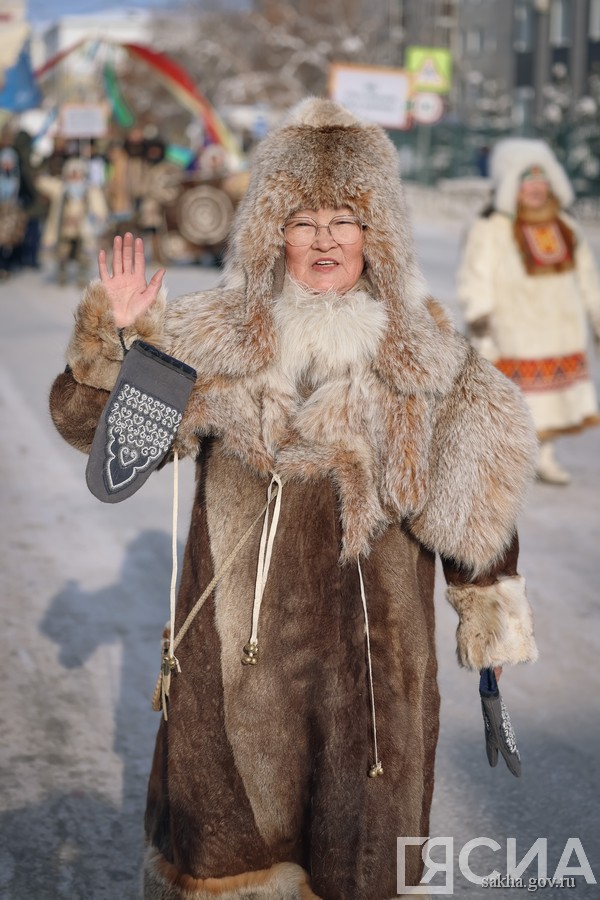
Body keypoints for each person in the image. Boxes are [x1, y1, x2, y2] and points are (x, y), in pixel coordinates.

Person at [49, 100, 538, 900]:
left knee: (360, 861)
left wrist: (486, 607)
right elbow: (103, 443)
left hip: (374, 683)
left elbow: (477, 513)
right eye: (302, 218)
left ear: (375, 233)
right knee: (231, 858)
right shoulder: (213, 337)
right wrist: (121, 344)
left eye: (344, 218)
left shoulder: (429, 357)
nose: (323, 239)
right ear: (270, 230)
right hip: (238, 680)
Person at [457, 137, 600, 485]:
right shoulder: (491, 227)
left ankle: (545, 456)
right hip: (514, 331)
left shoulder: (565, 224)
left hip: (561, 332)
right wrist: (479, 315)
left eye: (542, 180)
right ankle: (507, 463)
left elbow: (587, 276)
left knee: (555, 402)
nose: (536, 189)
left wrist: (596, 317)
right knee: (513, 401)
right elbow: (477, 273)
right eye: (527, 181)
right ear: (510, 185)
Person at [37, 156, 108, 287]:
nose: (74, 176)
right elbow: (42, 183)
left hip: (83, 229)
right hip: (64, 228)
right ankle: (62, 274)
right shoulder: (61, 188)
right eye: (71, 174)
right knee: (62, 252)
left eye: (77, 173)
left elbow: (99, 206)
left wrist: (99, 217)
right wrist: (41, 170)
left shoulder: (90, 189)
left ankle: (82, 276)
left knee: (84, 255)